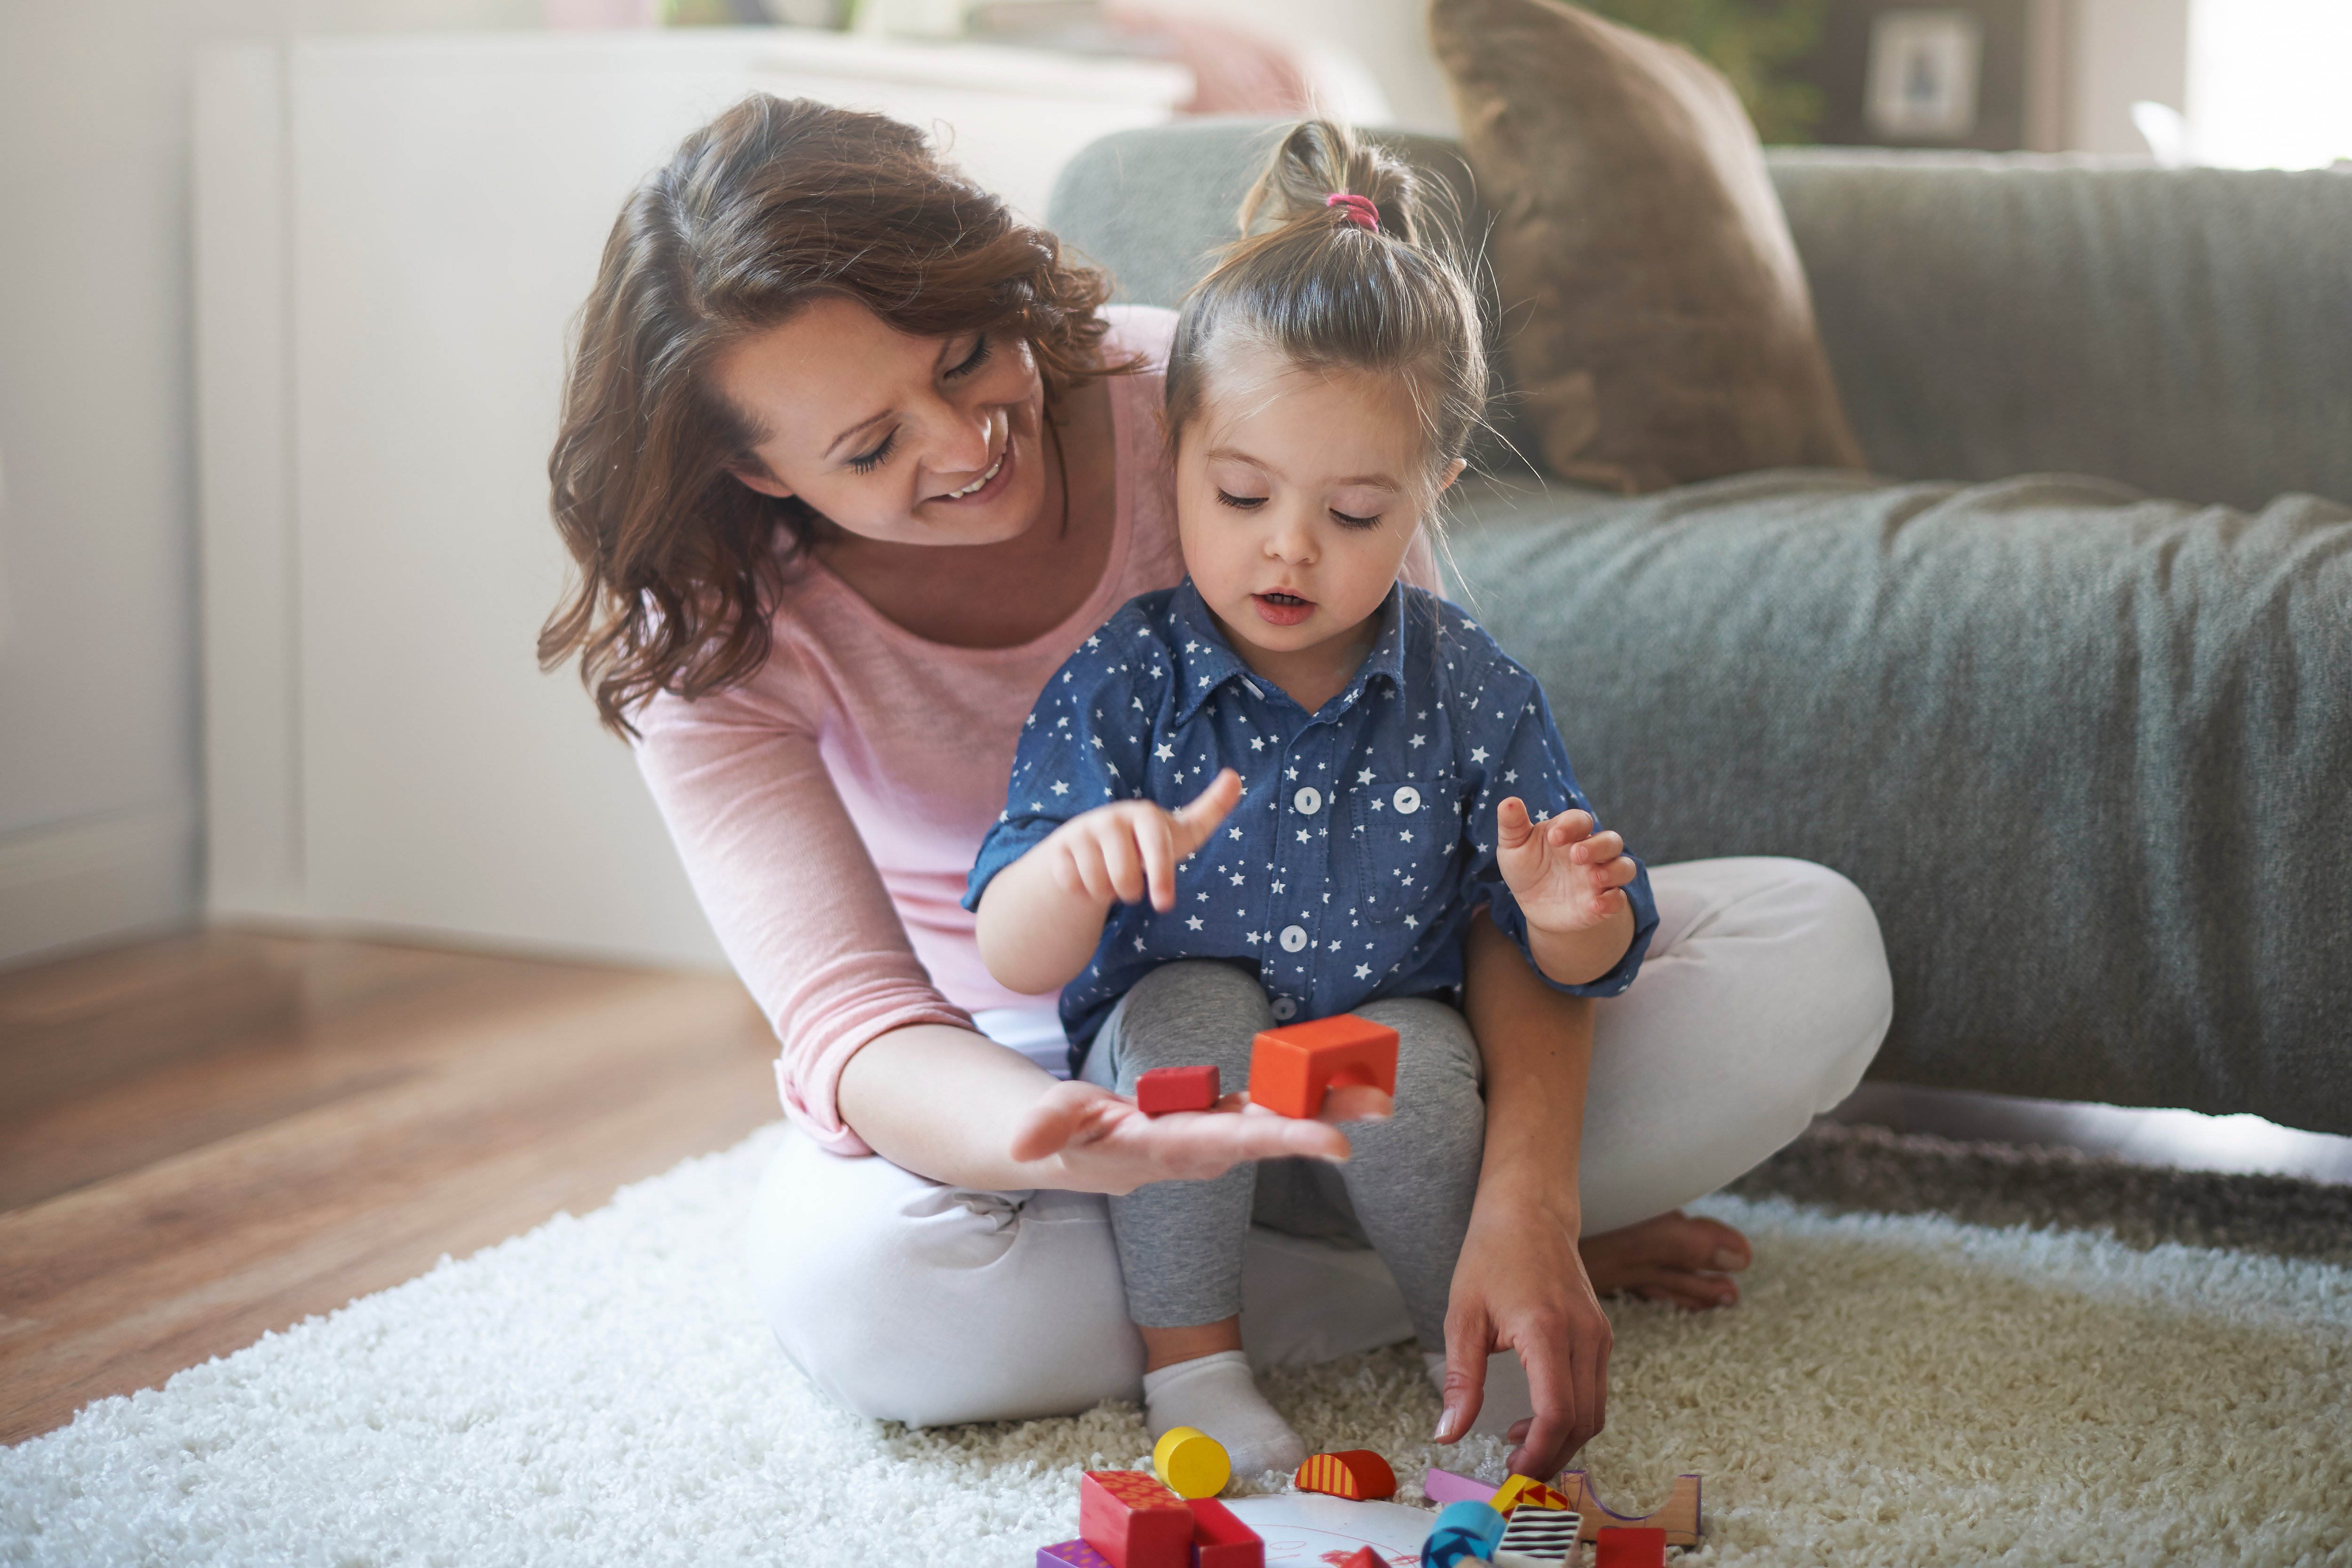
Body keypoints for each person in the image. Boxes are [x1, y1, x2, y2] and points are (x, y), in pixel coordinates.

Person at [540, 92, 1894, 1480]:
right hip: (1041, 1064)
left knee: (1815, 950)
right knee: (876, 1304)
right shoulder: (705, 643)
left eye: (961, 358)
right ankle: (1350, 1292)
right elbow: (860, 1027)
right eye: (870, 451)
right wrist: (1061, 1140)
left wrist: (1528, 1193)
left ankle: (1454, 1248)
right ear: (751, 469)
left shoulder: (1220, 405)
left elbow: (1464, 843)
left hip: (1391, 1030)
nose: (961, 445)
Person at [962, 120, 1665, 1479]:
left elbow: (1581, 962)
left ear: (1430, 497)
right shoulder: (1127, 676)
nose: (1288, 546)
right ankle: (1199, 1364)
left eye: (1353, 515)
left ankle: (1456, 1345)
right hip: (1181, 1098)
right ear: (1176, 460)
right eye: (1242, 495)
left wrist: (1568, 917)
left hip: (1377, 1088)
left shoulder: (1469, 686)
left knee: (1418, 1053)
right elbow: (1009, 946)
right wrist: (1080, 865)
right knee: (1188, 1012)